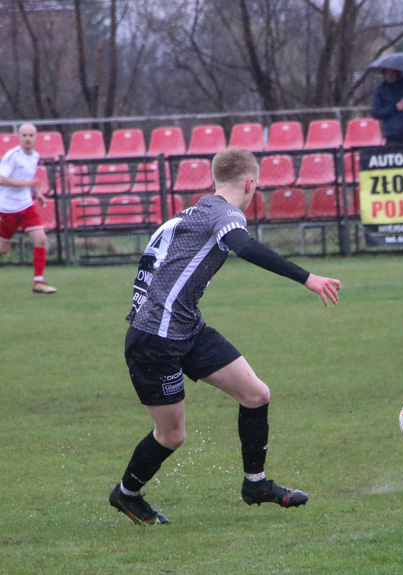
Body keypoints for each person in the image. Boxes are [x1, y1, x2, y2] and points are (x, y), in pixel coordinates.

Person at [109, 147, 342, 525]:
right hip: (155, 339)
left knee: (256, 394)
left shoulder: (197, 210)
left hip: (185, 327)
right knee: (172, 436)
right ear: (251, 183)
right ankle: (126, 493)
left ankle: (256, 484)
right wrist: (308, 278)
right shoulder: (227, 215)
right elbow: (244, 246)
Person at [0, 123, 56, 294]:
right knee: (3, 249)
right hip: (7, 208)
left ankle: (38, 282)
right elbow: (1, 179)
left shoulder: (34, 156)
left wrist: (37, 193)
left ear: (36, 137)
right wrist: (26, 184)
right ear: (19, 137)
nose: (28, 138)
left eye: (31, 135)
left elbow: (29, 179)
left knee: (40, 239)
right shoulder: (13, 156)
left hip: (26, 205)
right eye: (24, 135)